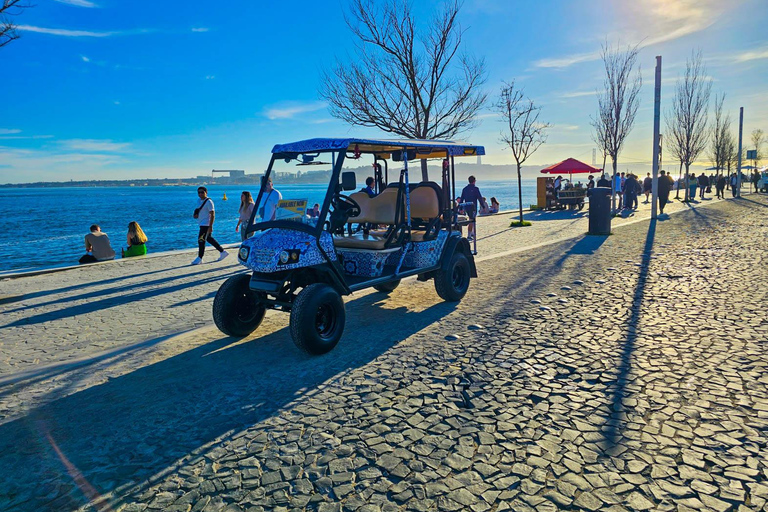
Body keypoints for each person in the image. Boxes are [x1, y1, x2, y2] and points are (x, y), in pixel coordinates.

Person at [192, 186, 228, 265]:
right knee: (209, 238)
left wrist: (210, 226)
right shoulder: (199, 200)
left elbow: (212, 214)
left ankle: (199, 257)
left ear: (206, 192)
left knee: (201, 240)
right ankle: (223, 252)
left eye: (202, 192)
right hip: (201, 223)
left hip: (206, 224)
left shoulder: (209, 202)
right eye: (199, 192)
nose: (200, 194)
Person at [460, 175, 487, 241]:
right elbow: (479, 198)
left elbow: (461, 199)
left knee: (472, 219)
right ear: (474, 181)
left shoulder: (465, 189)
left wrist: (460, 208)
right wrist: (483, 206)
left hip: (467, 206)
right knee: (472, 220)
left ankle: (472, 233)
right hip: (473, 207)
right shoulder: (475, 189)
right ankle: (469, 235)